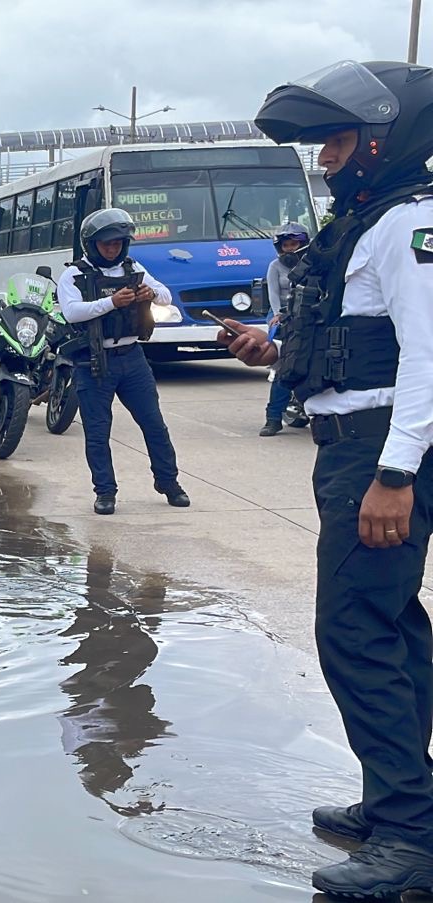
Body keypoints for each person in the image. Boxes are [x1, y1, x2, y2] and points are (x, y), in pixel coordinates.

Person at [221, 59, 433, 898]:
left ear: (384, 140)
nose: (325, 158)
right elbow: (359, 342)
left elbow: (426, 357)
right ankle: (404, 802)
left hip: (381, 450)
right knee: (392, 623)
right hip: (358, 440)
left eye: (338, 140)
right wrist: (270, 350)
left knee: (352, 632)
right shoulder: (364, 226)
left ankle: (412, 843)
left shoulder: (409, 225)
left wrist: (394, 472)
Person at [56, 208, 191, 516]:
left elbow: (166, 296)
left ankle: (169, 483)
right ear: (92, 244)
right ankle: (105, 492)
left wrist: (151, 292)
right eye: (106, 244)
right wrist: (111, 302)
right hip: (94, 361)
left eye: (118, 243)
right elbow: (72, 312)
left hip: (132, 358)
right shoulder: (74, 274)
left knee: (154, 424)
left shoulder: (132, 267)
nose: (113, 248)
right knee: (98, 431)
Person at [259, 222, 311, 437]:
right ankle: (273, 418)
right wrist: (279, 315)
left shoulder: (315, 264)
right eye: (286, 245)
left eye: (294, 244)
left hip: (311, 317)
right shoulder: (275, 266)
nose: (290, 248)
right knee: (286, 367)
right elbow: (272, 294)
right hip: (284, 318)